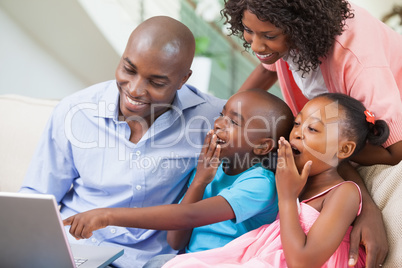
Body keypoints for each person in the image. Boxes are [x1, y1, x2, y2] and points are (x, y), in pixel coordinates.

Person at [19, 16, 226, 267]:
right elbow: (39, 195)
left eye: (157, 82)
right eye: (129, 70)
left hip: (155, 260)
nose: (136, 90)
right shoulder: (75, 111)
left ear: (184, 79)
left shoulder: (213, 120)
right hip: (79, 251)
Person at [221, 0, 402, 266]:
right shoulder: (284, 32)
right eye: (248, 31)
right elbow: (265, 68)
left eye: (269, 36)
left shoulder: (356, 57)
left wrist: (368, 208)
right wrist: (227, 116)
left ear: (300, 25)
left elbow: (393, 151)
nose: (256, 46)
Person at [62, 89, 294, 267]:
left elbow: (187, 216)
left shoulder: (261, 184)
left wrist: (107, 215)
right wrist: (200, 180)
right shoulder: (211, 168)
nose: (219, 123)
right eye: (222, 114)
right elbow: (175, 241)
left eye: (234, 122)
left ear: (263, 146)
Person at [161, 93, 390, 268]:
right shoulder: (288, 179)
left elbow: (302, 262)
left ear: (344, 149)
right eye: (298, 124)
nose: (297, 134)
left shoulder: (343, 193)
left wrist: (288, 197)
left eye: (312, 129)